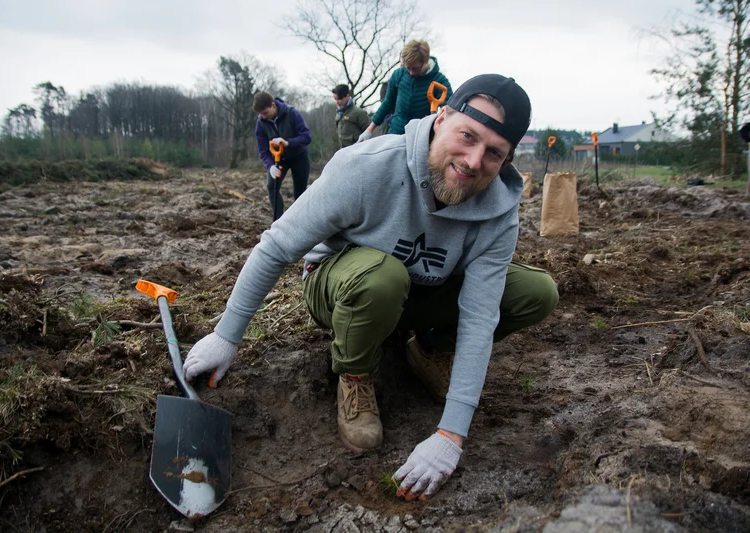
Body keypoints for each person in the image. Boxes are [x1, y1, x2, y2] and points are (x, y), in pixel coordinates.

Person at [183, 74, 558, 501]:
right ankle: (355, 374)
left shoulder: (498, 209)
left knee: (535, 291)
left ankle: (428, 348)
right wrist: (226, 335)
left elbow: (479, 313)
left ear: (507, 159)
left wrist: (451, 433)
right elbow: (277, 246)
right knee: (382, 277)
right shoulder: (365, 167)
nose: (473, 161)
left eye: (494, 153)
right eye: (467, 136)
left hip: (419, 293)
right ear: (441, 119)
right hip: (341, 285)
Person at [358, 40, 452, 141]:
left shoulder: (440, 81)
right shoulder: (399, 74)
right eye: (408, 68)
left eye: (415, 69)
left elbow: (450, 112)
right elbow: (387, 103)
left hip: (420, 137)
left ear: (426, 61)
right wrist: (369, 129)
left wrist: (436, 119)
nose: (411, 73)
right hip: (395, 134)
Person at [253, 91, 312, 221]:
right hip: (279, 159)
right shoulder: (261, 122)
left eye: (265, 113)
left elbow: (306, 137)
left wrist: (287, 142)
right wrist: (270, 166)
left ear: (273, 105)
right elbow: (263, 149)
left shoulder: (291, 113)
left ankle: (301, 221)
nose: (264, 116)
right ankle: (279, 222)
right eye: (261, 114)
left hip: (299, 157)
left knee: (300, 191)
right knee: (271, 186)